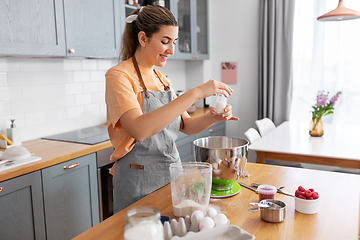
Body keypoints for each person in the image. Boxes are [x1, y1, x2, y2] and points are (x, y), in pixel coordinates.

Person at [105, 5, 239, 213]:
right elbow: (139, 130)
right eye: (165, 42)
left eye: (174, 42)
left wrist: (213, 117)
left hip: (170, 176)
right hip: (138, 181)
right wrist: (195, 93)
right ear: (143, 39)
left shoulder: (161, 78)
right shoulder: (119, 76)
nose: (172, 50)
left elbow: (187, 124)